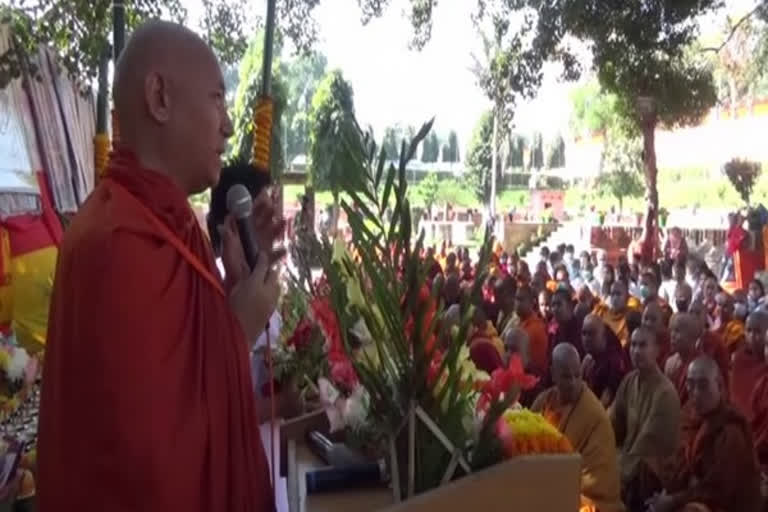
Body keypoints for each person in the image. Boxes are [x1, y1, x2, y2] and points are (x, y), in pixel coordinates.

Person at [37, 21, 281, 512]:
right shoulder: (116, 242)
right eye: (217, 99)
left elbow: (190, 363)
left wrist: (232, 290)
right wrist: (240, 327)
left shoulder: (169, 223)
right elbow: (153, 461)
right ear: (159, 97)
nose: (229, 125)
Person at [649, 357, 762, 512]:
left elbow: (717, 490)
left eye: (703, 385)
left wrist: (672, 500)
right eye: (690, 384)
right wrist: (668, 491)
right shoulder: (691, 413)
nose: (695, 393)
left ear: (720, 386)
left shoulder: (730, 432)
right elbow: (678, 460)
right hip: (693, 490)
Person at [532, 343, 624, 512]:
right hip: (545, 486)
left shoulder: (594, 415)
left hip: (586, 500)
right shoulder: (544, 401)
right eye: (567, 377)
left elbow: (595, 481)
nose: (574, 383)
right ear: (553, 374)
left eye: (578, 375)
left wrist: (551, 487)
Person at [610, 327, 680, 511]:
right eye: (633, 345)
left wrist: (612, 472)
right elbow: (611, 423)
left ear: (657, 350)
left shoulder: (665, 393)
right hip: (625, 463)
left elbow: (646, 450)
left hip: (650, 479)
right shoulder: (629, 381)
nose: (636, 351)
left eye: (643, 345)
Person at [580, 314, 630, 407]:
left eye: (591, 333)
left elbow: (605, 403)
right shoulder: (588, 358)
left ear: (603, 335)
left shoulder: (615, 362)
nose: (586, 338)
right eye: (584, 333)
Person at [730, 311, 768, 420]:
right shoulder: (739, 358)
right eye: (749, 331)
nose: (752, 336)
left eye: (757, 332)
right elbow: (735, 396)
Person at [515, 285, 550, 375]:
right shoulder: (519, 323)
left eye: (521, 300)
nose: (517, 303)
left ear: (532, 303)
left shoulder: (536, 328)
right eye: (516, 299)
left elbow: (531, 365)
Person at [593, 281, 634, 348]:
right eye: (612, 294)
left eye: (618, 294)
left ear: (627, 297)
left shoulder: (631, 315)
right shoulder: (601, 312)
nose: (615, 298)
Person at [549, 288, 585, 357]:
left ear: (570, 306)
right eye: (553, 305)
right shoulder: (554, 332)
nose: (555, 309)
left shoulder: (581, 331)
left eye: (559, 304)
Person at [642, 301, 671, 367]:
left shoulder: (670, 343)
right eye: (646, 319)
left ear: (662, 321)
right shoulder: (637, 339)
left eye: (653, 319)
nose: (648, 323)